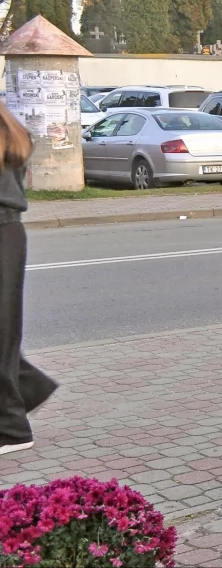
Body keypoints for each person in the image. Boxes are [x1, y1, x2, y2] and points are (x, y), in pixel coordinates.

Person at [0, 104, 57, 456]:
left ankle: (12, 429)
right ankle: (30, 388)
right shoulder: (11, 129)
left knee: (2, 335)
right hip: (9, 231)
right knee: (3, 333)